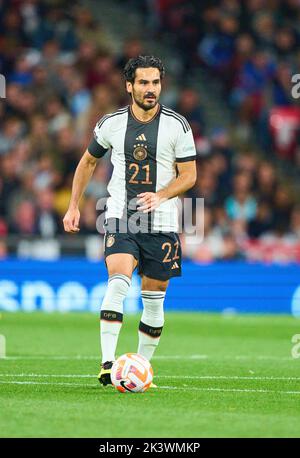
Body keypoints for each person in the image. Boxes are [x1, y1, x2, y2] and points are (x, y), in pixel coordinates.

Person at [63, 55, 197, 387]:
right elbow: (88, 163)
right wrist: (73, 206)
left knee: (154, 302)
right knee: (118, 282)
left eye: (155, 82)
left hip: (163, 223)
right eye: (143, 83)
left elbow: (190, 175)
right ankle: (108, 364)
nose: (151, 89)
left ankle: (139, 369)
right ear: (129, 86)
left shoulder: (177, 126)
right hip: (122, 217)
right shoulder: (111, 123)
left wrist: (162, 195)